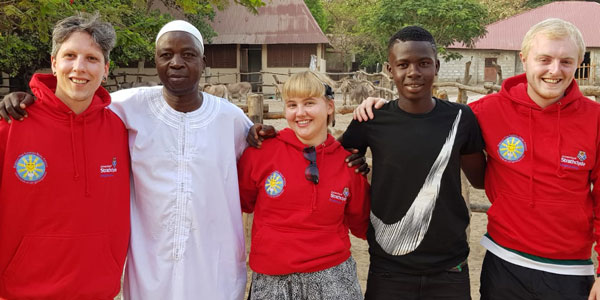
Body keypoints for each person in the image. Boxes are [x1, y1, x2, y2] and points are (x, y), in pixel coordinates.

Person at [355, 18, 600, 300]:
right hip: (504, 263)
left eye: (566, 62)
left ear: (579, 61)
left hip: (570, 271)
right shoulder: (484, 111)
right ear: (524, 58)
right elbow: (428, 114)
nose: (554, 70)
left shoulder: (595, 121)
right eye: (544, 59)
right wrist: (380, 109)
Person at [341, 26, 486, 300]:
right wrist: (356, 166)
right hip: (389, 267)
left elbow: (480, 179)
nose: (413, 72)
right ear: (389, 69)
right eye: (403, 64)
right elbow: (333, 159)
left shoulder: (461, 118)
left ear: (437, 66)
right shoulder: (372, 120)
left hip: (450, 268)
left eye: (423, 63)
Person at [0, 13, 130, 299]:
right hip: (22, 291)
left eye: (92, 59)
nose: (79, 68)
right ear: (54, 62)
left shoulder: (121, 131)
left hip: (99, 290)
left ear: (106, 69)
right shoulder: (11, 126)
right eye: (70, 55)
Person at [238, 71, 370, 300]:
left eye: (309, 103)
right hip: (272, 281)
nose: (300, 113)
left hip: (334, 280)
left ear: (329, 106)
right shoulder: (260, 153)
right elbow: (243, 203)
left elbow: (363, 226)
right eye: (292, 104)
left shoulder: (348, 164)